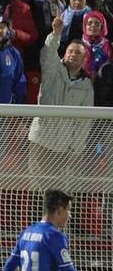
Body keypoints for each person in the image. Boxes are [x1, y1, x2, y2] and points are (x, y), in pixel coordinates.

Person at [27, 16, 93, 186]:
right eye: (70, 51)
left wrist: (75, 150)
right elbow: (48, 52)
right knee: (39, 191)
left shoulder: (87, 85)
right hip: (41, 141)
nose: (73, 54)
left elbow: (85, 121)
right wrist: (56, 33)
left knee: (60, 192)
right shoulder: (53, 69)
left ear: (85, 59)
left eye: (78, 52)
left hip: (65, 148)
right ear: (65, 53)